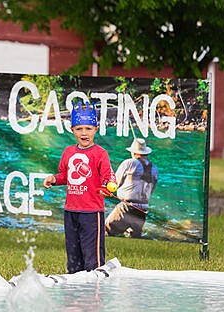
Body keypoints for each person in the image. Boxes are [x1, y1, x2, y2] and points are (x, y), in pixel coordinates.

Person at [43, 101, 117, 273]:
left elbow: (109, 177)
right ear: (72, 129)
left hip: (91, 213)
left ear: (96, 129)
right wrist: (54, 179)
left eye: (88, 129)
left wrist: (109, 185)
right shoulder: (69, 152)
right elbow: (65, 176)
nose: (84, 133)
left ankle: (94, 294)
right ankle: (74, 293)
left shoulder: (100, 154)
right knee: (73, 258)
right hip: (71, 211)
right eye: (79, 129)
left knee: (92, 260)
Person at [105, 138, 158, 238]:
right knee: (133, 237)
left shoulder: (129, 163)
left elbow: (114, 184)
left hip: (127, 207)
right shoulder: (155, 169)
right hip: (143, 209)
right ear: (146, 153)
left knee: (106, 230)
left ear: (134, 153)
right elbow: (152, 190)